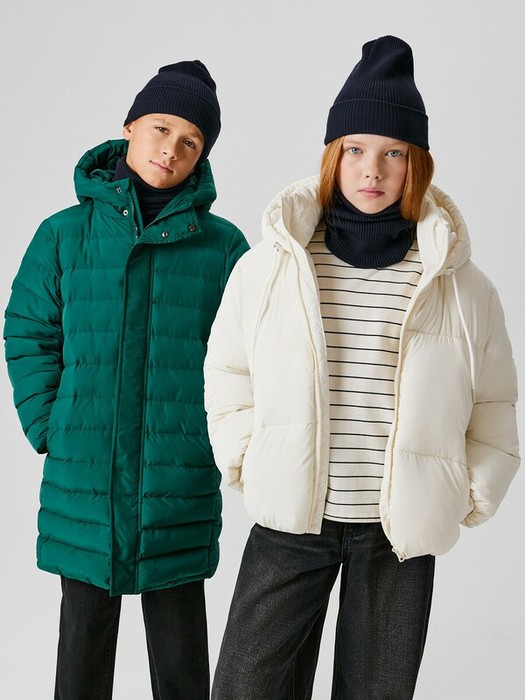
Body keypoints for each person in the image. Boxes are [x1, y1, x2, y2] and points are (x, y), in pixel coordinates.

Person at [204, 36, 520, 699]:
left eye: (392, 152)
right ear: (333, 155)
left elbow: (494, 402)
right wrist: (245, 456)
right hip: (292, 520)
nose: (371, 169)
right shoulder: (273, 263)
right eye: (354, 149)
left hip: (395, 535)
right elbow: (228, 371)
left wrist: (468, 493)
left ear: (415, 164)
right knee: (244, 687)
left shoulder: (461, 285)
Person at [4, 60, 248, 700]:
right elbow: (28, 329)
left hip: (179, 477)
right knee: (81, 654)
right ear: (129, 127)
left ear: (202, 157)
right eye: (161, 128)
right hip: (85, 478)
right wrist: (50, 423)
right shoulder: (64, 234)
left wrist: (217, 439)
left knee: (182, 661)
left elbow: (249, 357)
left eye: (191, 141)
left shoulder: (223, 248)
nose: (171, 149)